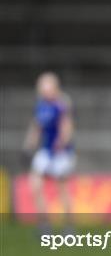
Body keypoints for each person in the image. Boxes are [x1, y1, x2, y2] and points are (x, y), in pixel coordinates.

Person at [24, 72, 75, 232]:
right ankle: (44, 223)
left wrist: (60, 144)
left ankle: (68, 226)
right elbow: (37, 126)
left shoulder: (61, 104)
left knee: (62, 188)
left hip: (61, 153)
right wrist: (28, 145)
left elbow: (66, 128)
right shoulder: (41, 105)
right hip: (46, 151)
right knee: (35, 185)